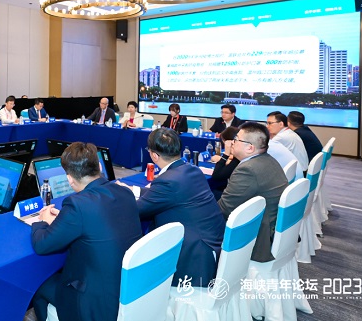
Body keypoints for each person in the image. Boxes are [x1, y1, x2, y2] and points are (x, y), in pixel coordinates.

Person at [31, 142, 142, 321]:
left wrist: (42, 222)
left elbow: (42, 245)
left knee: (37, 287)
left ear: (69, 179)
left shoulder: (77, 205)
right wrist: (64, 219)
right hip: (127, 287)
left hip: (93, 304)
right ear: (99, 167)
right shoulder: (125, 192)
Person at [120, 128, 225, 287]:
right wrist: (133, 190)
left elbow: (137, 210)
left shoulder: (168, 180)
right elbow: (168, 195)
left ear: (154, 155)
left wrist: (116, 197)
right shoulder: (191, 170)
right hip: (212, 241)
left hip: (195, 254)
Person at [218, 122, 288, 262]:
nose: (232, 143)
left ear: (250, 148)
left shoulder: (247, 169)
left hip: (260, 237)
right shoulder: (269, 160)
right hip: (275, 226)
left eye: (236, 139)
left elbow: (224, 210)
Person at [208, 126, 240, 200]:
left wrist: (225, 154)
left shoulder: (238, 158)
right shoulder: (238, 158)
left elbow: (216, 176)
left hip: (232, 196)